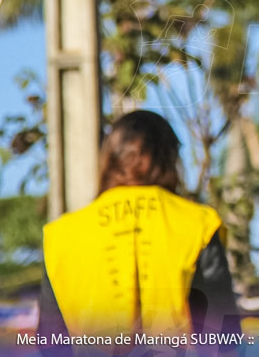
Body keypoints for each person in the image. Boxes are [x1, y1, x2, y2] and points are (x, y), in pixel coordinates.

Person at [37, 110, 239, 343]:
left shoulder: (62, 236)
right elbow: (223, 336)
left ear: (109, 160)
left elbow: (49, 341)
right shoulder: (198, 224)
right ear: (169, 159)